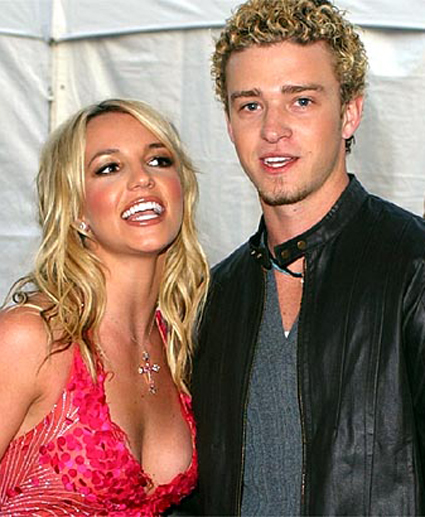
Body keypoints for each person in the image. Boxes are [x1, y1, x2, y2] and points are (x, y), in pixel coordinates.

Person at [185, 0, 425, 515]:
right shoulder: (212, 299)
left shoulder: (413, 267)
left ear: (349, 113)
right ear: (228, 124)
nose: (273, 129)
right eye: (251, 105)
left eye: (300, 101)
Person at [0, 98, 209, 515]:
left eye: (159, 161)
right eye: (109, 168)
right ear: (77, 209)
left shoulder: (177, 342)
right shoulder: (31, 338)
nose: (143, 179)